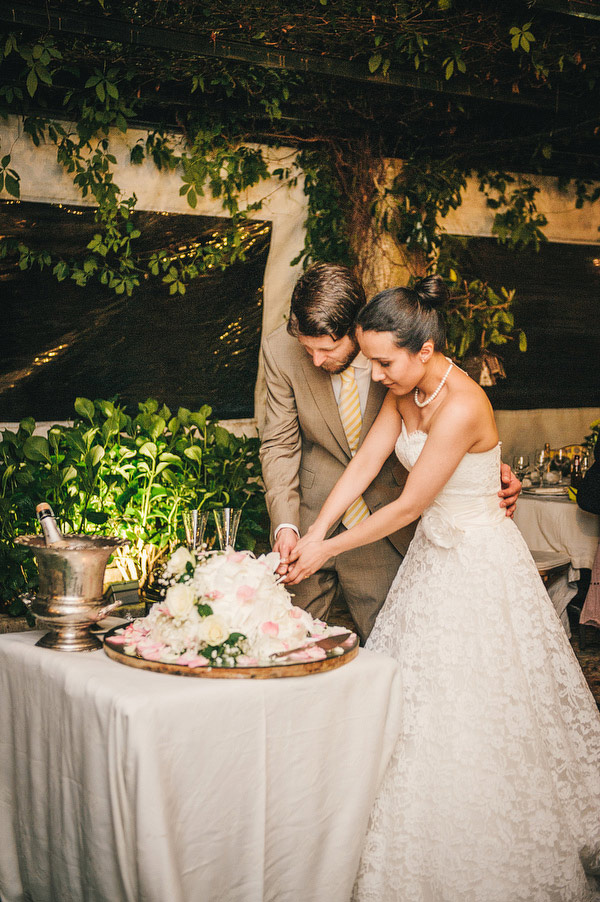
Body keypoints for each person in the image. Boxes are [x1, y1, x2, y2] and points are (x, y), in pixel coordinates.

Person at [287, 276, 600, 901]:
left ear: (423, 350)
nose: (374, 375)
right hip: (432, 563)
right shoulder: (406, 390)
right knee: (418, 705)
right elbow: (365, 464)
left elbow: (407, 506)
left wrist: (328, 548)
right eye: (370, 359)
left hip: (481, 565)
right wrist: (313, 528)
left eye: (383, 362)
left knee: (486, 707)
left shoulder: (462, 405)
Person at [260, 262, 521, 641]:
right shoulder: (398, 389)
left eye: (328, 348)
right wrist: (308, 532)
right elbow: (351, 454)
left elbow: (451, 429)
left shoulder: (399, 342)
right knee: (294, 648)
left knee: (400, 650)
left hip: (401, 527)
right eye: (308, 349)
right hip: (318, 513)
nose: (316, 361)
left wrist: (482, 469)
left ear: (357, 328)